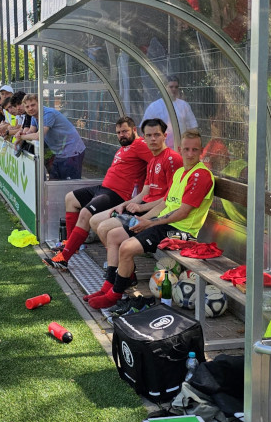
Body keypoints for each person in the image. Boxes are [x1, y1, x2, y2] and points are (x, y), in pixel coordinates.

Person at [89, 129, 215, 309]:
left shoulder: (201, 175)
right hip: (164, 223)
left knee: (126, 247)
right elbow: (165, 203)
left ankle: (114, 295)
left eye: (195, 150)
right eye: (186, 149)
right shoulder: (180, 173)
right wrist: (143, 219)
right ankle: (109, 286)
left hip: (182, 232)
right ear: (180, 149)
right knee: (114, 236)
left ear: (201, 151)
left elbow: (183, 213)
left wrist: (151, 222)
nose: (190, 154)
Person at [82, 118, 182, 301]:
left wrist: (142, 208)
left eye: (157, 135)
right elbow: (145, 191)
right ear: (143, 137)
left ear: (165, 136)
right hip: (144, 210)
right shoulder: (152, 160)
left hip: (157, 216)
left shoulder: (172, 159)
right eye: (149, 135)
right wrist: (124, 204)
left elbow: (169, 198)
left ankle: (117, 284)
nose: (153, 139)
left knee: (107, 231)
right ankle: (114, 282)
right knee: (102, 226)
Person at [43, 116, 154, 271]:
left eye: (125, 131)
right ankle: (70, 244)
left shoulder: (141, 145)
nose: (121, 135)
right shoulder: (125, 146)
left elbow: (155, 162)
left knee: (85, 213)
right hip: (104, 188)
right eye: (118, 132)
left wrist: (145, 190)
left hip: (117, 194)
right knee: (70, 198)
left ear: (134, 130)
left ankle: (64, 258)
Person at [16, 94, 86, 179]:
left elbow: (38, 136)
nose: (30, 108)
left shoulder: (48, 113)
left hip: (73, 151)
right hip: (60, 153)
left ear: (39, 103)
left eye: (33, 105)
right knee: (55, 181)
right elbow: (31, 131)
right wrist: (21, 134)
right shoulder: (34, 116)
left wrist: (21, 137)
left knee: (70, 183)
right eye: (27, 107)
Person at [142, 76, 198, 151]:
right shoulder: (154, 107)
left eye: (176, 87)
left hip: (181, 148)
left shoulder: (184, 105)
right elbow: (144, 129)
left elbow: (192, 127)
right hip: (160, 149)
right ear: (165, 88)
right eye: (171, 87)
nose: (174, 89)